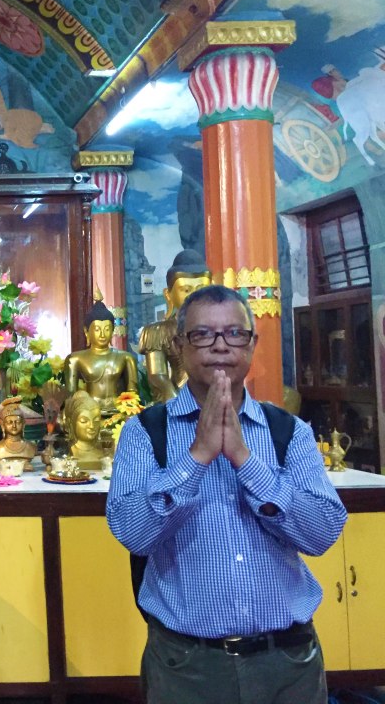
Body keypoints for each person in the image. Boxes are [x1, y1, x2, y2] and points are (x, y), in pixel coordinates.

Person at [107, 285, 346, 704]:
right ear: (179, 346)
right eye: (203, 334)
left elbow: (323, 532)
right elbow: (133, 533)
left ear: (252, 344)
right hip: (187, 664)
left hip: (287, 660)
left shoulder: (288, 431)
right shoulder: (145, 433)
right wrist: (196, 457)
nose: (220, 345)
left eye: (235, 333)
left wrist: (245, 460)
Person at [138, 249, 211, 402]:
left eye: (201, 289)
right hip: (176, 396)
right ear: (168, 295)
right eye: (186, 290)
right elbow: (158, 376)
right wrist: (177, 403)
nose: (194, 296)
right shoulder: (158, 332)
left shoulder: (220, 330)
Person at [63, 299, 138, 415]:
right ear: (86, 331)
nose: (102, 334)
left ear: (113, 330)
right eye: (97, 329)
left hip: (119, 413)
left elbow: (133, 393)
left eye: (107, 329)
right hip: (90, 414)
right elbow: (71, 398)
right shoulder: (75, 359)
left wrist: (129, 413)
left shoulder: (126, 358)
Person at [62, 390, 104, 465]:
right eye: (84, 421)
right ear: (72, 423)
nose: (92, 426)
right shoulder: (70, 452)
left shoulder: (102, 454)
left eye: (96, 421)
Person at [0, 396, 36, 463]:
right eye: (9, 422)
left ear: (23, 424)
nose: (14, 426)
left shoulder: (30, 447)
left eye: (17, 422)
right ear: (3, 425)